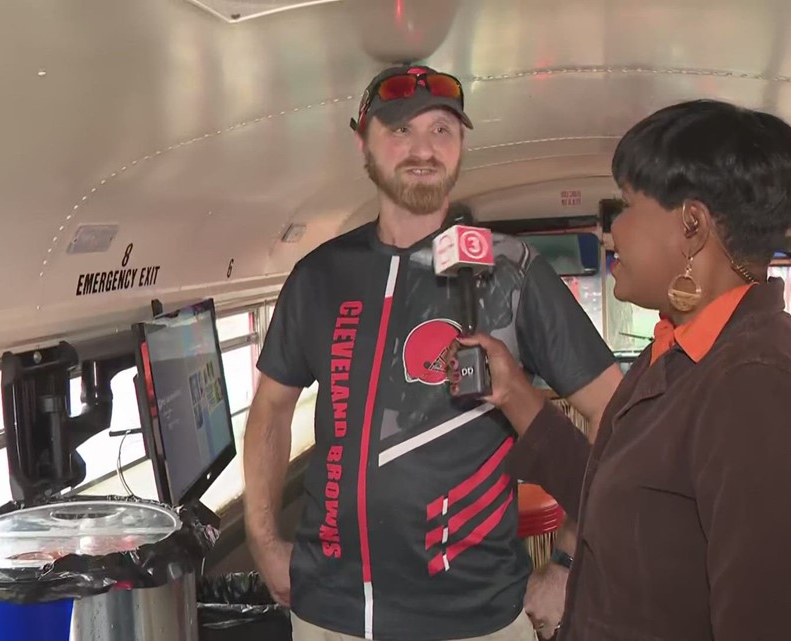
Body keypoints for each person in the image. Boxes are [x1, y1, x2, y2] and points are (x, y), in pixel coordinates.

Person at [242, 63, 623, 641]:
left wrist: (570, 560)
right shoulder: (319, 276)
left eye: (442, 130)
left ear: (462, 143)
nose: (423, 149)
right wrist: (264, 542)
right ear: (361, 141)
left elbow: (616, 414)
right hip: (331, 613)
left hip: (477, 616)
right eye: (400, 130)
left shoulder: (512, 272)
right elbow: (270, 408)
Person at [457, 99, 791, 641]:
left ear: (691, 224)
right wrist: (515, 394)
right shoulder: (681, 346)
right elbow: (620, 495)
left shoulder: (759, 389)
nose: (609, 231)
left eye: (626, 205)